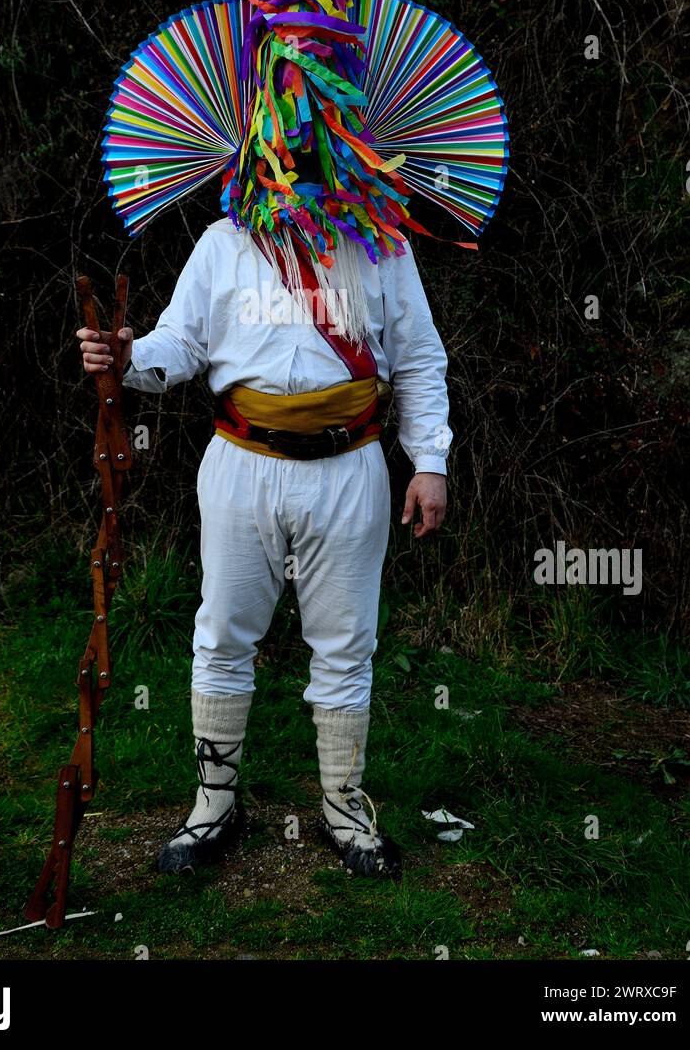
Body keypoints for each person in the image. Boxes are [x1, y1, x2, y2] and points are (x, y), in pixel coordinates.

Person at [76, 205, 451, 878]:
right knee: (222, 635)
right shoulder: (224, 243)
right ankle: (213, 806)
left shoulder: (380, 245)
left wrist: (428, 461)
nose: (298, 149)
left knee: (345, 642)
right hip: (241, 463)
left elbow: (419, 357)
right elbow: (180, 347)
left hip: (349, 463)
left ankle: (343, 810)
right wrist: (129, 357)